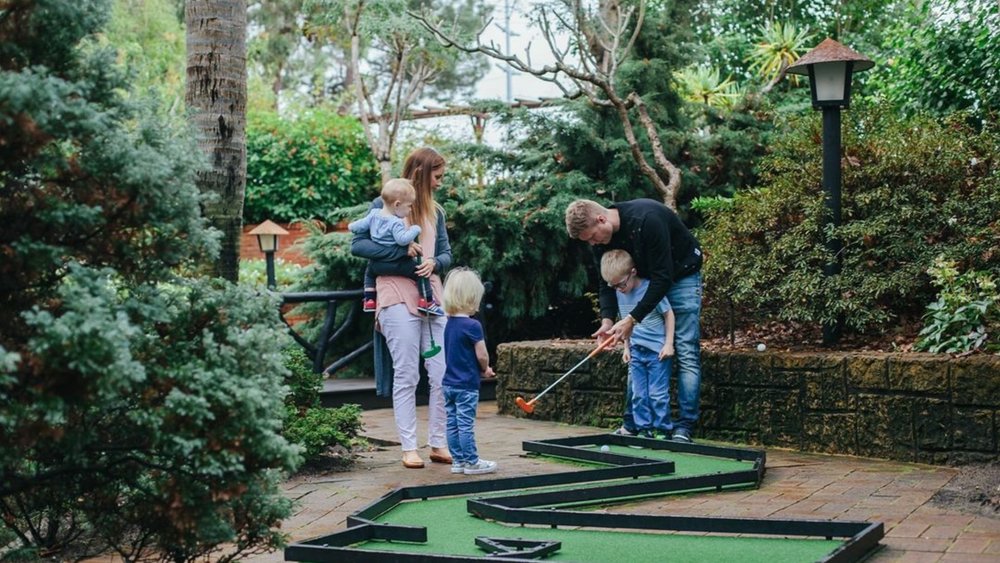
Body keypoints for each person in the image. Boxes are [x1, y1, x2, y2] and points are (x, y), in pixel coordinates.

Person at [565, 198, 703, 443]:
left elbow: (664, 277)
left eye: (592, 237)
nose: (593, 243)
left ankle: (684, 426)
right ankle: (633, 423)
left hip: (681, 275)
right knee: (638, 350)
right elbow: (606, 282)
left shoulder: (647, 220)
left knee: (686, 350)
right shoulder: (602, 239)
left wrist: (632, 318)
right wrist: (607, 321)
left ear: (601, 219)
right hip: (646, 281)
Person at [351, 147, 452, 468]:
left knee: (441, 372)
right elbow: (360, 246)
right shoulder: (384, 207)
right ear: (422, 173)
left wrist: (434, 261)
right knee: (407, 372)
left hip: (432, 295)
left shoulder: (436, 212)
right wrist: (405, 258)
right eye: (437, 177)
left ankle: (439, 442)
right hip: (395, 294)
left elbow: (447, 253)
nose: (440, 183)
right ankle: (409, 446)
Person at [601, 250, 675, 439]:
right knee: (638, 394)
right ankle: (644, 429)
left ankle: (663, 429)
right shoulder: (620, 294)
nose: (618, 289)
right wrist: (626, 348)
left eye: (621, 284)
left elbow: (668, 314)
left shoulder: (650, 289)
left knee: (658, 395)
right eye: (613, 286)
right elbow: (626, 325)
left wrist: (668, 344)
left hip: (657, 351)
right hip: (636, 351)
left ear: (633, 272)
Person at [349, 178, 444, 316]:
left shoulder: (374, 214)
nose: (411, 210)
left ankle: (369, 299)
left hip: (378, 264)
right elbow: (402, 240)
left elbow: (359, 225)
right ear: (397, 204)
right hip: (397, 263)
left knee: (369, 273)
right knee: (420, 272)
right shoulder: (396, 222)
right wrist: (415, 229)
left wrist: (351, 226)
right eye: (409, 206)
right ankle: (427, 301)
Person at [441, 267, 497, 475]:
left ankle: (458, 461)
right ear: (472, 298)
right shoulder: (473, 325)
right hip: (466, 385)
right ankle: (472, 462)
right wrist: (486, 369)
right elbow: (481, 355)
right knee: (465, 424)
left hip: (448, 384)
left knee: (453, 423)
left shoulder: (449, 324)